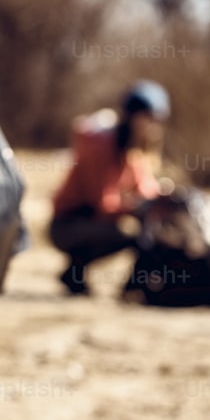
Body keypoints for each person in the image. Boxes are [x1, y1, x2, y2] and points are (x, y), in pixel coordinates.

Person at [50, 81, 171, 296]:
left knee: (151, 226)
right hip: (66, 225)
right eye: (150, 118)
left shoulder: (135, 150)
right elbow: (103, 203)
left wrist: (164, 200)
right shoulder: (102, 147)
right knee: (132, 233)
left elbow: (147, 188)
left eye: (158, 120)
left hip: (90, 222)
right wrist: (136, 206)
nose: (155, 127)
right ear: (133, 117)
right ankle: (131, 286)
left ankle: (76, 273)